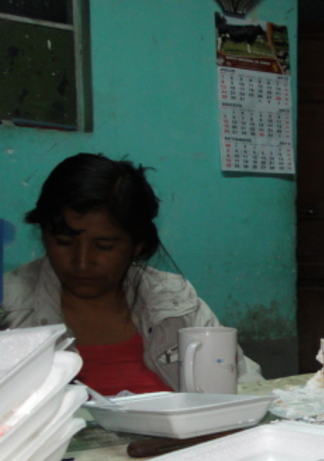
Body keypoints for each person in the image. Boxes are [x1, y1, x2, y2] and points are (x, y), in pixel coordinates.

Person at [2, 153, 262, 395]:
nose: (82, 263)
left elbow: (244, 383)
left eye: (104, 246)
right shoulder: (10, 309)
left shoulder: (174, 303)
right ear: (44, 236)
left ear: (137, 244)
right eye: (63, 242)